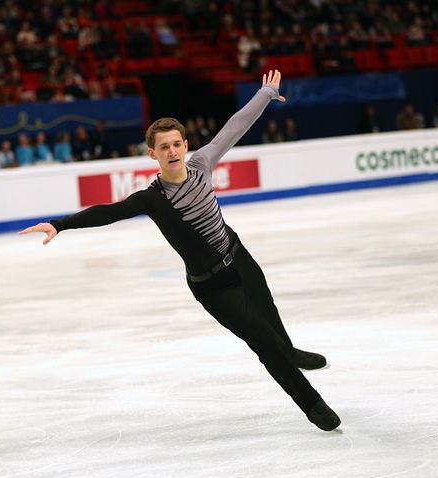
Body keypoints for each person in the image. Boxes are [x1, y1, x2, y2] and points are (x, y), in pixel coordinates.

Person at [20, 70, 341, 432]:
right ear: (151, 153)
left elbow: (235, 126)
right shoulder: (152, 199)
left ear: (185, 146)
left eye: (176, 144)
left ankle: (292, 352)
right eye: (164, 147)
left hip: (238, 255)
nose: (172, 151)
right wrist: (61, 224)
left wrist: (266, 93)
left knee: (269, 311)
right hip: (212, 286)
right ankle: (312, 404)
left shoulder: (202, 163)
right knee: (263, 342)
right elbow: (107, 213)